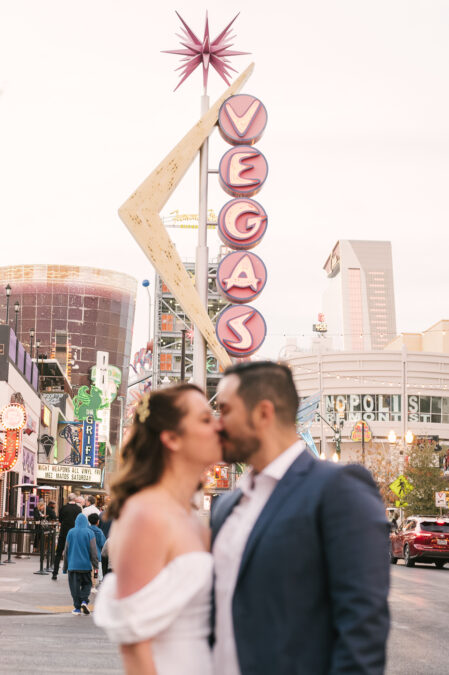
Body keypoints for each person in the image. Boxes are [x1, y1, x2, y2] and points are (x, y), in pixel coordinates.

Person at [212, 361, 390, 675]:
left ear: (263, 413)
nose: (217, 424)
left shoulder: (338, 488)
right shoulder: (226, 505)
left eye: (225, 410)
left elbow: (362, 629)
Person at [94, 384, 221, 675]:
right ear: (172, 438)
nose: (218, 425)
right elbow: (135, 648)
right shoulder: (146, 514)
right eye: (205, 419)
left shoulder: (186, 513)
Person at [63, 512, 98, 615]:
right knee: (87, 584)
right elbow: (93, 551)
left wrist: (65, 567)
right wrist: (95, 565)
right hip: (86, 566)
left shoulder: (71, 532)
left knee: (74, 588)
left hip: (73, 566)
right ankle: (84, 600)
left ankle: (77, 608)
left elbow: (66, 551)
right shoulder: (90, 533)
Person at [52, 493, 82, 580]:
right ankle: (72, 573)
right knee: (74, 553)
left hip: (64, 533)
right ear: (75, 499)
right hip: (74, 534)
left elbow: (60, 520)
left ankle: (55, 573)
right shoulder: (78, 509)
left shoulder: (63, 508)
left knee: (58, 553)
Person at [87, 512, 106, 591]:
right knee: (96, 569)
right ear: (98, 521)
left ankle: (90, 583)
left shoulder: (87, 530)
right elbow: (103, 544)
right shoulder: (99, 532)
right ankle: (96, 583)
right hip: (97, 554)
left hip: (87, 554)